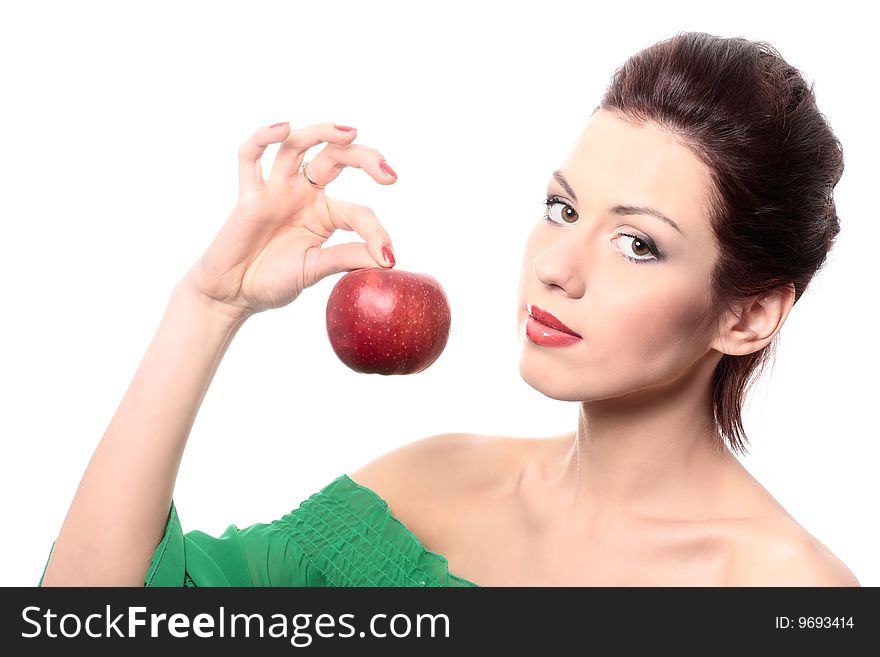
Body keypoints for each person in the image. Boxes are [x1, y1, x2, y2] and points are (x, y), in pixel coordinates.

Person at [39, 31, 859, 587]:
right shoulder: (429, 488)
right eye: (564, 209)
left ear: (747, 316)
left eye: (637, 243)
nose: (554, 267)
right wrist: (207, 303)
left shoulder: (787, 590)